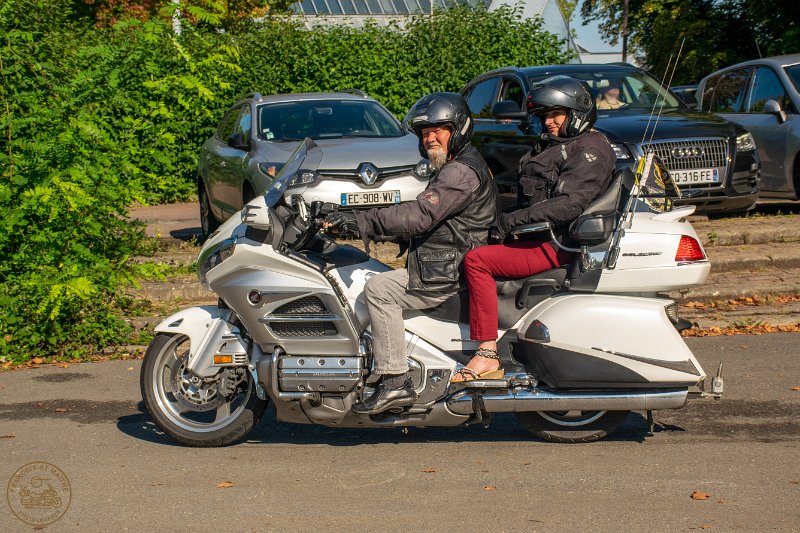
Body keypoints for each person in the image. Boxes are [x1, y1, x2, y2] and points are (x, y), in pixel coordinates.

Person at [324, 92, 499, 414]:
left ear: (458, 129)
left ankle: (395, 381)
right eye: (424, 132)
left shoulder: (460, 171)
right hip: (446, 260)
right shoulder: (456, 164)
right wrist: (346, 213)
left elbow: (420, 215)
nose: (430, 138)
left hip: (448, 269)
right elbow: (420, 212)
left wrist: (358, 222)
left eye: (438, 130)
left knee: (379, 289)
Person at [452, 75, 617, 382]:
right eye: (544, 116)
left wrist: (509, 222)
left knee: (477, 260)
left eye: (556, 114)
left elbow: (568, 205)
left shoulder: (588, 150)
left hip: (555, 245)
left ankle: (487, 353)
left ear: (577, 112)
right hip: (541, 236)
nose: (549, 122)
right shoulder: (565, 144)